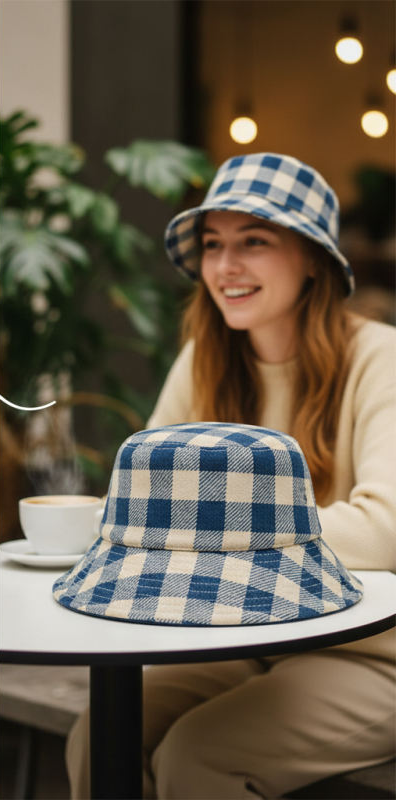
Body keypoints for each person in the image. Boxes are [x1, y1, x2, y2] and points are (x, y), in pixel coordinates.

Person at [65, 153, 396, 799]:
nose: (224, 266)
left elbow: (384, 531)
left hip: (370, 652)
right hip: (242, 633)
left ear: (313, 259)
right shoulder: (203, 361)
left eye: (255, 241)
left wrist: (200, 535)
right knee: (96, 738)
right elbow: (138, 504)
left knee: (198, 758)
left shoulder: (380, 359)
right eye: (213, 244)